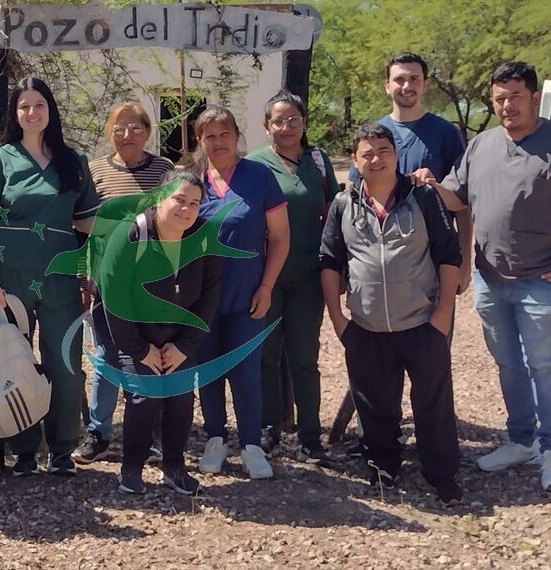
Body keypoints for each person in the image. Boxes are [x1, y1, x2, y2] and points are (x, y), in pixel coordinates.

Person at [429, 62, 551, 491]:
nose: (507, 105)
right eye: (499, 98)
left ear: (534, 98)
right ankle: (521, 440)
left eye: (515, 96)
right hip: (491, 278)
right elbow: (456, 199)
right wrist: (429, 184)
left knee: (545, 365)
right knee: (508, 364)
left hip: (544, 280)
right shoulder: (481, 145)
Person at [320, 123, 463, 506]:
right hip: (366, 326)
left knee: (433, 403)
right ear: (354, 161)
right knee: (375, 403)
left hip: (421, 322)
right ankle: (383, 464)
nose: (376, 159)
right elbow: (330, 261)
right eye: (366, 153)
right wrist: (337, 319)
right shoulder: (343, 204)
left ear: (396, 155)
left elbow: (448, 254)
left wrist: (443, 312)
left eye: (383, 150)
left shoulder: (423, 197)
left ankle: (441, 473)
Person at [346, 52, 472, 459]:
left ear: (425, 84)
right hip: (381, 276)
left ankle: (436, 449)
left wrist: (464, 260)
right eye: (399, 79)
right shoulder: (375, 135)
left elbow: (463, 203)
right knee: (380, 370)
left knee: (430, 361)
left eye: (414, 79)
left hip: (431, 269)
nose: (406, 86)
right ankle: (383, 445)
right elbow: (354, 201)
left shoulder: (444, 134)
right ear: (387, 85)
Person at [0, 76, 100, 477]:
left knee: (65, 362)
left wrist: (134, 229)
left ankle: (62, 449)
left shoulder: (73, 161)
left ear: (51, 110)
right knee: (14, 361)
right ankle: (24, 450)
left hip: (61, 276)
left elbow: (88, 223)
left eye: (39, 105)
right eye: (24, 106)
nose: (32, 113)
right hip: (10, 275)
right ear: (15, 113)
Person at [100, 171, 222, 495]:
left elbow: (209, 297)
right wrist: (140, 350)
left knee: (180, 395)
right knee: (146, 395)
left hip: (179, 335)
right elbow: (114, 297)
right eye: (179, 199)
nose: (186, 209)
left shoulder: (205, 239)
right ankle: (131, 469)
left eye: (194, 203)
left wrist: (184, 346)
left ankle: (174, 468)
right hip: (132, 331)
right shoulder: (130, 234)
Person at [74, 101, 174, 464]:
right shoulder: (94, 171)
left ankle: (149, 434)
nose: (127, 134)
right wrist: (84, 277)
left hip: (153, 283)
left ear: (147, 131)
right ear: (109, 133)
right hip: (107, 281)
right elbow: (83, 229)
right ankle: (98, 431)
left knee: (151, 354)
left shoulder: (164, 170)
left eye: (135, 127)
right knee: (107, 356)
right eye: (119, 128)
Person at [193, 106, 289, 480]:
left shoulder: (259, 176)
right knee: (208, 370)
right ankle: (215, 439)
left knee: (246, 372)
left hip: (247, 293)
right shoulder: (192, 182)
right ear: (200, 140)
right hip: (201, 299)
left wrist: (266, 287)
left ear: (237, 136)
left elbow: (279, 238)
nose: (218, 142)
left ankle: (251, 445)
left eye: (225, 134)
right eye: (210, 136)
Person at [247, 90, 337, 463]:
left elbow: (332, 215)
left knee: (304, 357)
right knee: (266, 355)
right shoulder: (254, 165)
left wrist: (338, 268)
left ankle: (310, 436)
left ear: (304, 123)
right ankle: (267, 429)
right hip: (265, 276)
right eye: (278, 121)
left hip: (308, 276)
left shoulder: (318, 161)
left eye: (293, 120)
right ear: (267, 126)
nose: (286, 127)